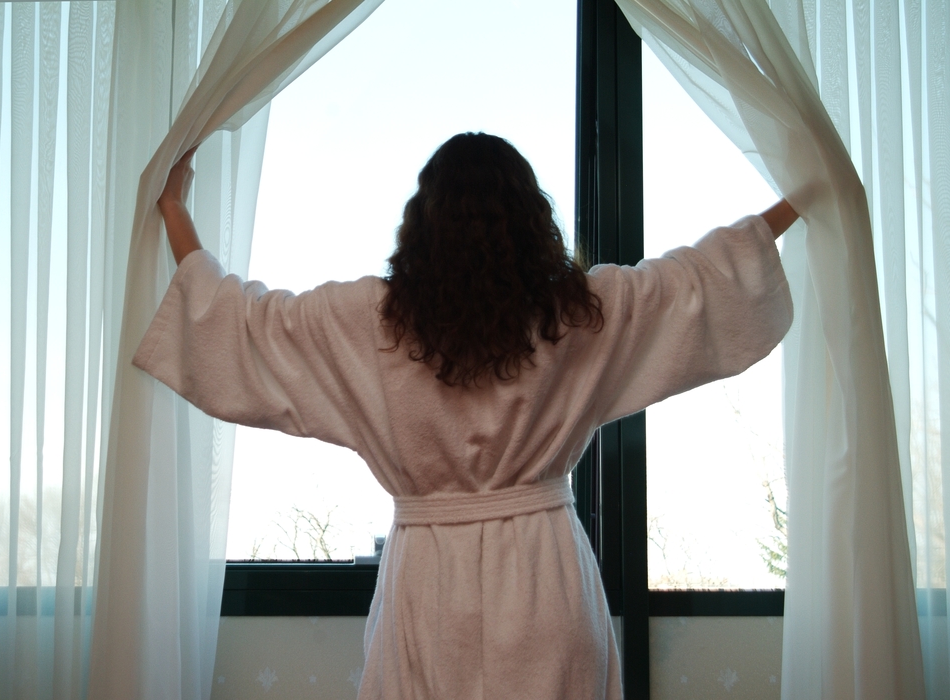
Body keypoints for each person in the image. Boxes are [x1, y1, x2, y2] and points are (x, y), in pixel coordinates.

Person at [136, 132, 797, 699]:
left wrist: (173, 208)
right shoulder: (577, 316)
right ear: (530, 218)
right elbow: (694, 284)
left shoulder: (369, 323)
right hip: (543, 575)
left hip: (430, 581)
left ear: (423, 219)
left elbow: (242, 325)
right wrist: (805, 195)